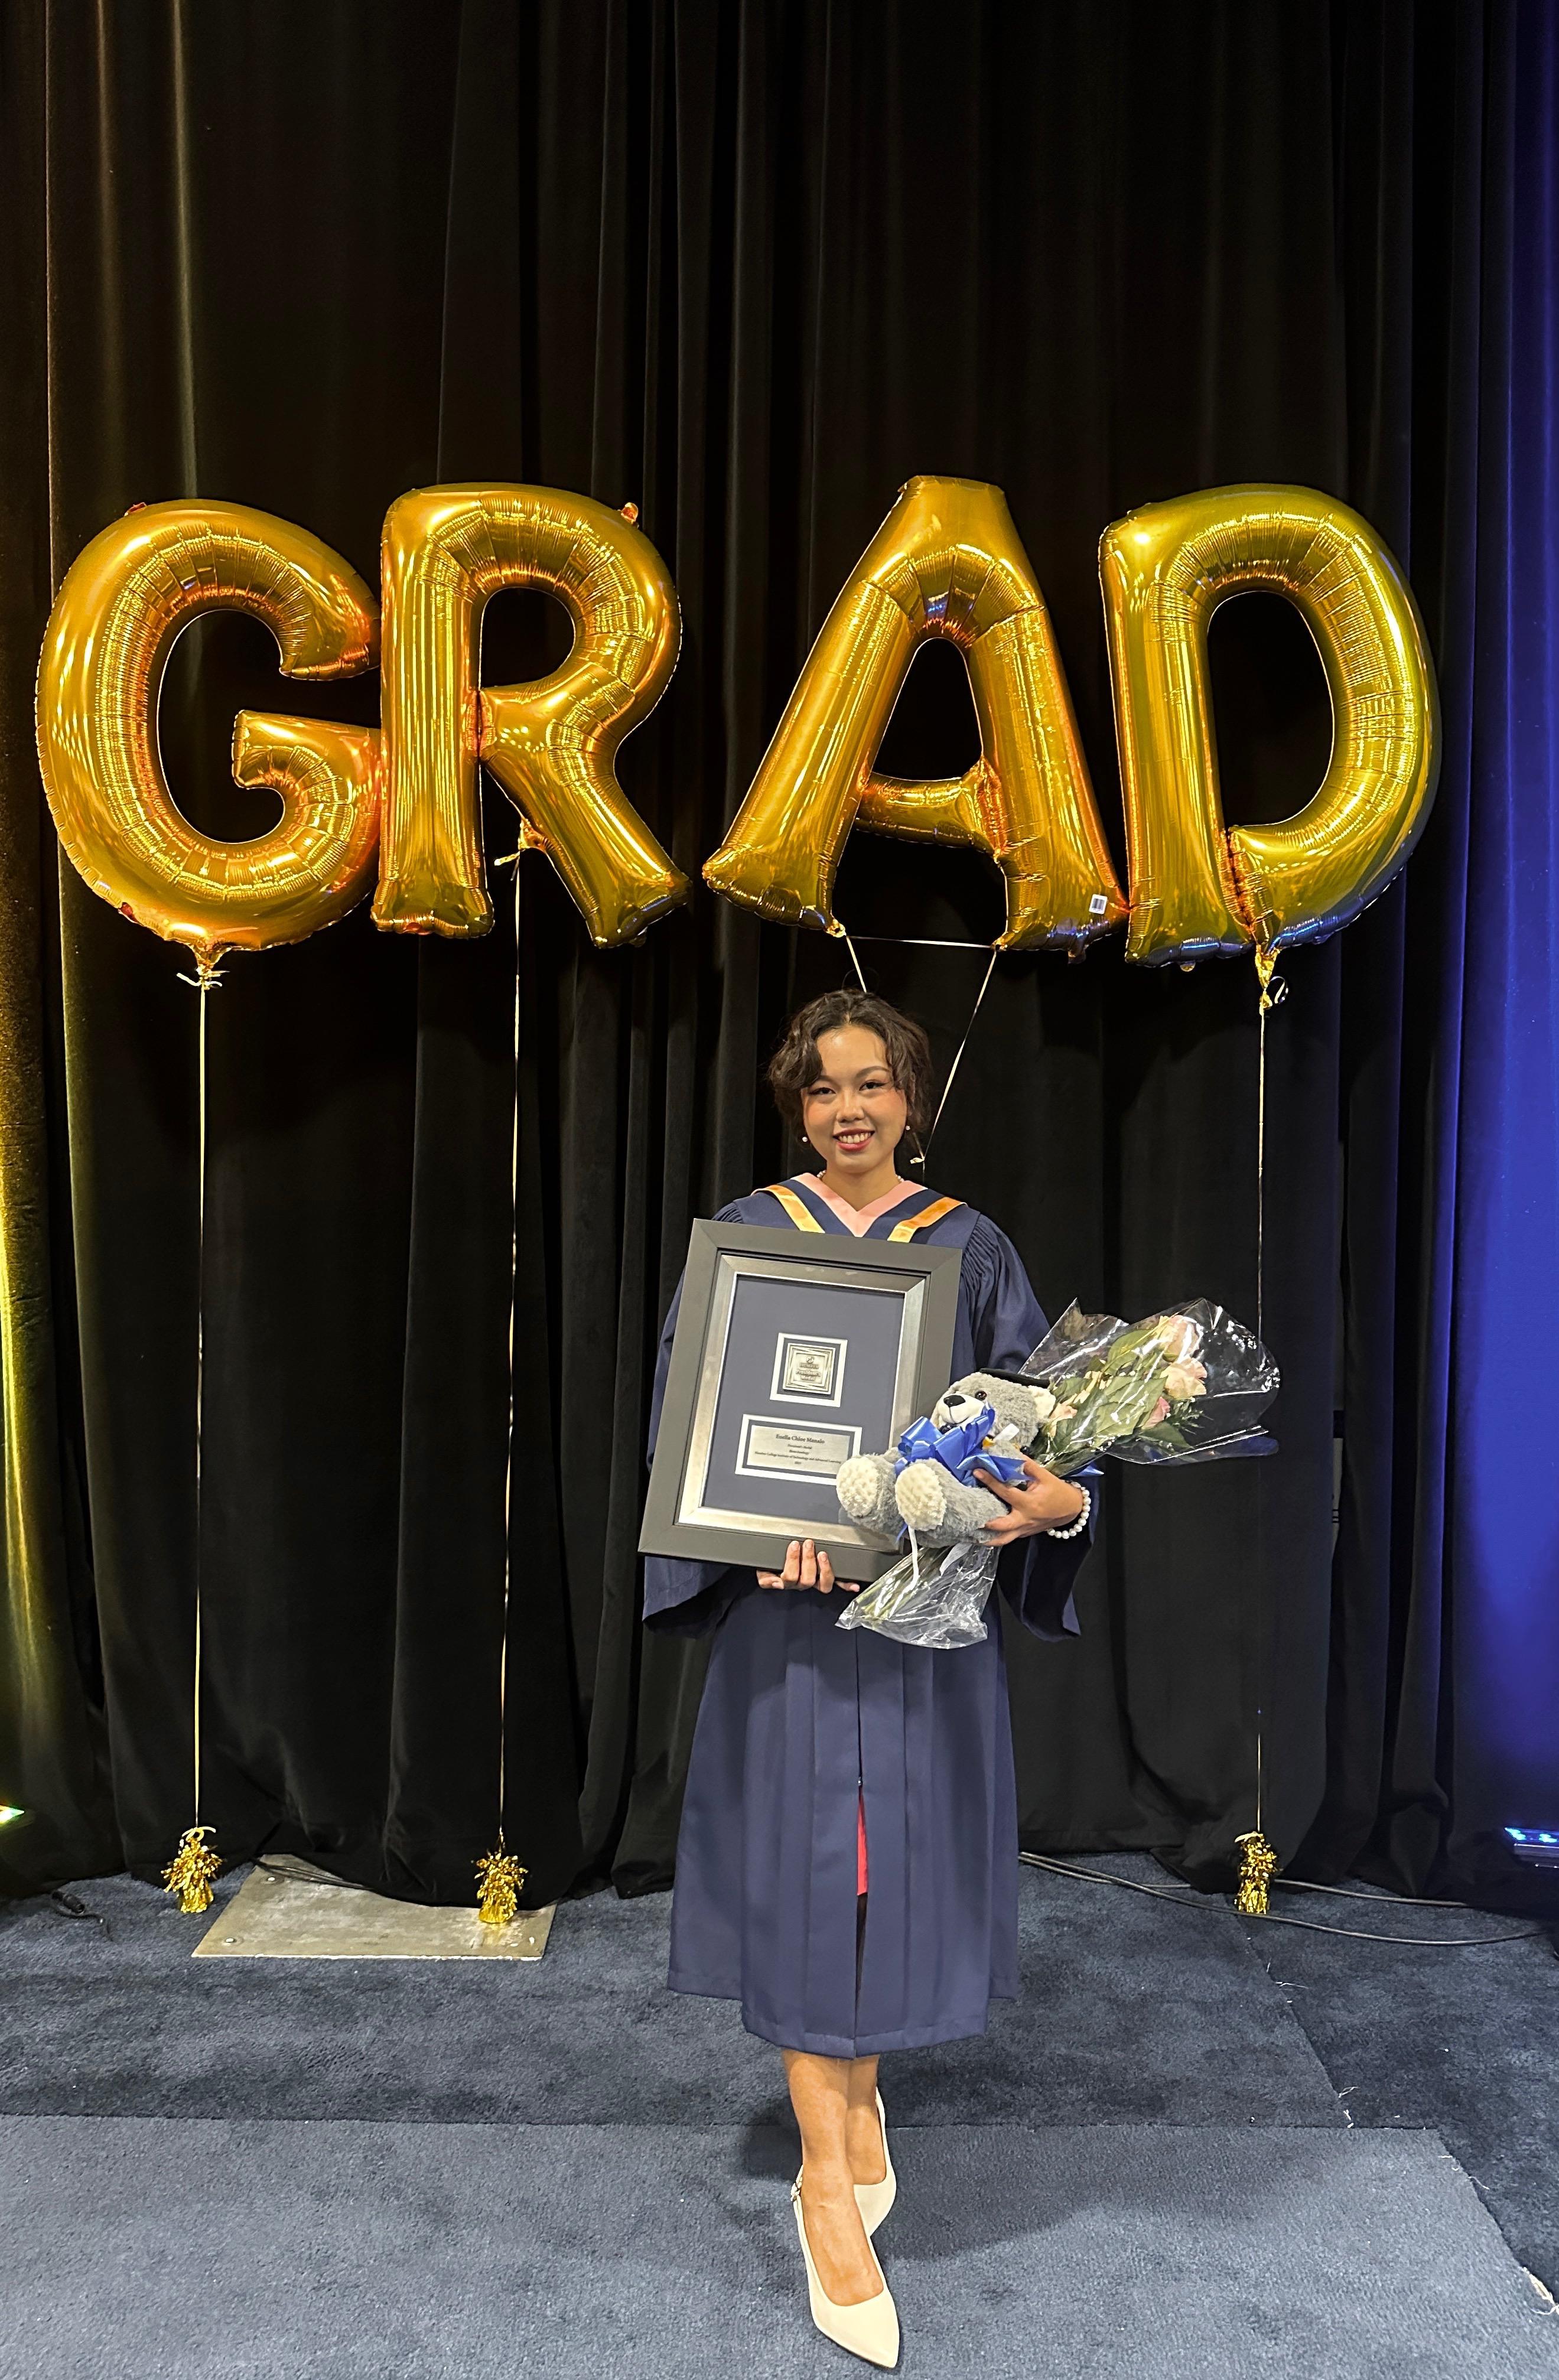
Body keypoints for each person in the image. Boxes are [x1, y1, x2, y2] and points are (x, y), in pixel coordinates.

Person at [642, 990, 1093, 2368]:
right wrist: (736, 1539)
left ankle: (858, 2103)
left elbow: (1040, 1433)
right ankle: (825, 2182)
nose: (851, 1109)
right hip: (789, 1627)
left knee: (879, 1871)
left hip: (922, 1621)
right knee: (801, 1869)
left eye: (875, 1085)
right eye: (826, 1088)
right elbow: (693, 1430)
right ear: (800, 1105)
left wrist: (1052, 1506)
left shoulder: (967, 1245)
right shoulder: (746, 1244)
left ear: (911, 1097)